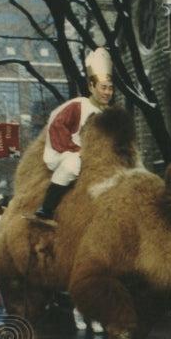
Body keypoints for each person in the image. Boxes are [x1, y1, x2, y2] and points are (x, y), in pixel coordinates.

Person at [33, 47, 114, 223]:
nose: (107, 92)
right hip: (67, 152)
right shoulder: (78, 105)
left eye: (110, 88)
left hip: (97, 156)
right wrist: (76, 149)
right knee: (72, 166)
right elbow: (57, 126)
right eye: (103, 87)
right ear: (91, 86)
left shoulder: (110, 114)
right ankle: (47, 208)